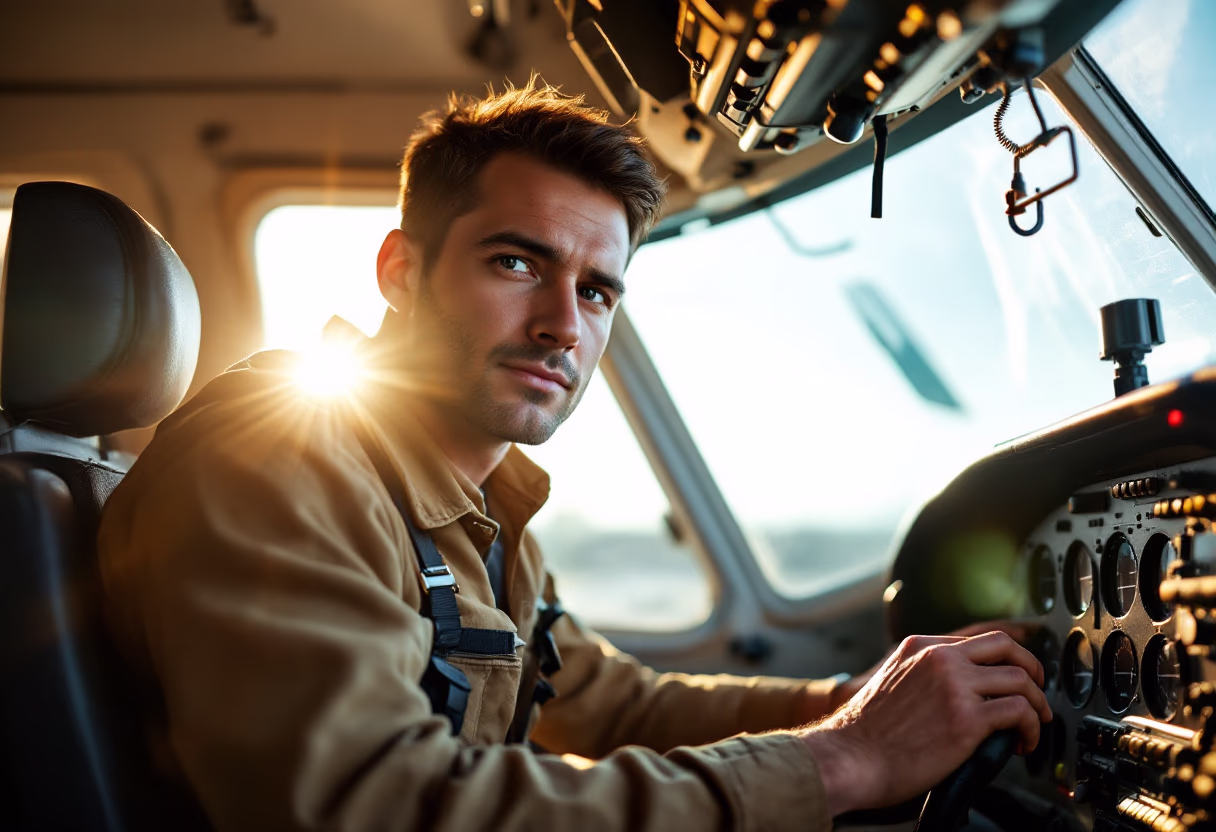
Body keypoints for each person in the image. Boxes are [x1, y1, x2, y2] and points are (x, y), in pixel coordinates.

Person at [98, 80, 1052, 832]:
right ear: (401, 271)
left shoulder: (473, 502)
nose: (562, 326)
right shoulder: (277, 463)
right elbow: (375, 808)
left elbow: (610, 705)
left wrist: (853, 702)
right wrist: (844, 761)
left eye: (598, 292)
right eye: (516, 262)